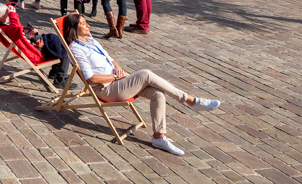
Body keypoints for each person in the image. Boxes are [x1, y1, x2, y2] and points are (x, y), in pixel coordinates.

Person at [62, 13, 221, 156]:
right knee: (145, 74)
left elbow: (110, 59)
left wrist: (116, 67)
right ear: (74, 29)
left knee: (158, 94)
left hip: (119, 81)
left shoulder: (91, 40)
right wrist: (115, 77)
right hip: (107, 89)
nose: (88, 25)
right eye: (83, 24)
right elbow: (91, 79)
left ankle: (159, 137)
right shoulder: (76, 49)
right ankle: (190, 101)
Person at [0, 3, 70, 87]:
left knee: (56, 40)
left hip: (32, 44)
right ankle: (60, 80)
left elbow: (7, 10)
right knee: (65, 50)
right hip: (35, 51)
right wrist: (12, 14)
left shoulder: (1, 22)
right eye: (6, 13)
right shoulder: (9, 29)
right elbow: (16, 26)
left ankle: (54, 72)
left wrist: (9, 8)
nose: (8, 15)